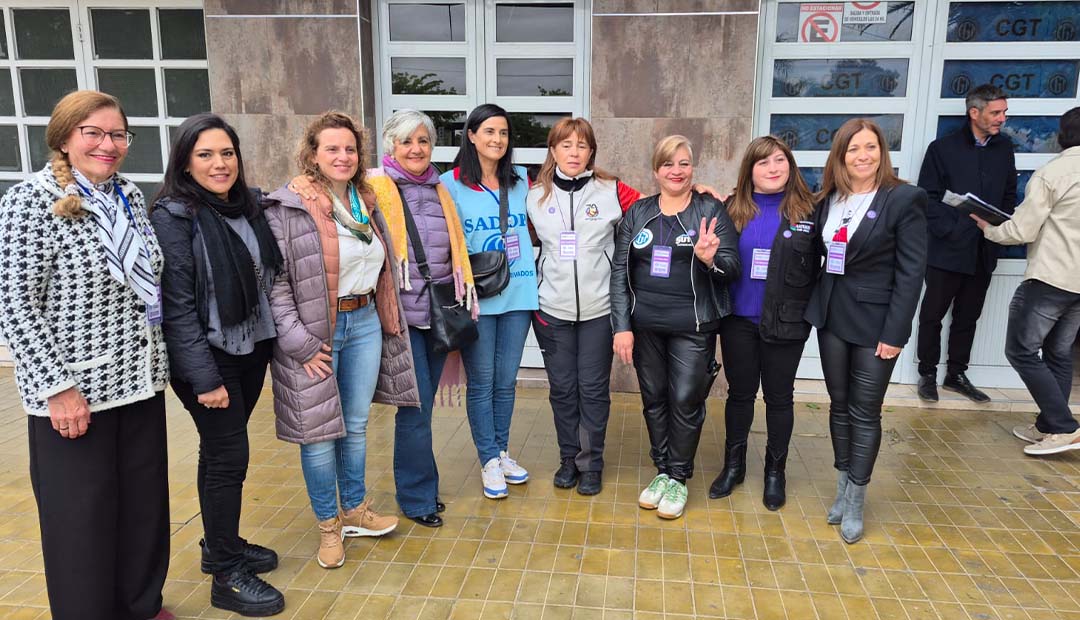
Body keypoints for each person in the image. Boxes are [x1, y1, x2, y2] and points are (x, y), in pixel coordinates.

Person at [0, 90, 173, 620]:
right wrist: (58, 388)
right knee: (81, 521)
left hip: (139, 381)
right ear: (64, 138)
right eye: (93, 133)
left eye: (118, 134)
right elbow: (15, 305)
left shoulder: (128, 194)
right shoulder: (30, 202)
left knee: (142, 509)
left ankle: (140, 606)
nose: (108, 144)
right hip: (75, 395)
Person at [266, 111, 418, 569]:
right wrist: (300, 344)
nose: (343, 156)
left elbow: (381, 267)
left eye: (350, 148)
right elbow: (275, 284)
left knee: (355, 424)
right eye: (331, 148)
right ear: (312, 154)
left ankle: (353, 510)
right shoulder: (289, 206)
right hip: (315, 333)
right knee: (317, 435)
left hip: (364, 321)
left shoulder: (365, 199)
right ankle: (328, 526)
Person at [152, 114, 285, 616]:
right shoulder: (174, 215)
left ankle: (219, 544)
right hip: (207, 358)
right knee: (230, 458)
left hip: (251, 348)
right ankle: (226, 575)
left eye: (227, 153)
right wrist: (204, 378)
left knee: (218, 454)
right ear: (185, 162)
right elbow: (177, 305)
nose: (219, 163)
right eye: (205, 154)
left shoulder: (247, 206)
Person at [805, 118, 927, 544]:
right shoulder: (828, 199)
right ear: (840, 156)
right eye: (853, 148)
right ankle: (842, 487)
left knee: (865, 410)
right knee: (839, 406)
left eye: (870, 147)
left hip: (876, 324)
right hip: (832, 318)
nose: (862, 156)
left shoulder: (903, 198)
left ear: (882, 152)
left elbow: (911, 274)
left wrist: (896, 333)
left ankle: (857, 498)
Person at [610, 135, 740, 520]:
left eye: (684, 163)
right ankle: (663, 470)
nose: (676, 171)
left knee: (685, 399)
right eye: (668, 164)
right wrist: (621, 326)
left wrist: (710, 260)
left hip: (693, 326)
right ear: (656, 170)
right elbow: (619, 273)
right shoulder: (639, 212)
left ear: (693, 168)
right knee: (654, 398)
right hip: (645, 326)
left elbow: (732, 268)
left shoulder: (709, 209)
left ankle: (679, 477)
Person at [367, 109, 476, 525]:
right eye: (406, 141)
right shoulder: (374, 187)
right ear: (391, 146)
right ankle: (416, 499)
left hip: (437, 311)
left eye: (423, 141)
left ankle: (422, 489)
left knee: (423, 407)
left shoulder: (440, 189)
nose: (416, 149)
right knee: (414, 410)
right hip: (401, 318)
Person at [527, 118, 642, 496]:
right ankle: (568, 459)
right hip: (551, 309)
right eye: (566, 145)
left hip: (599, 311)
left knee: (592, 390)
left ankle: (590, 463)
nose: (574, 152)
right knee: (562, 389)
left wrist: (701, 193)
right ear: (553, 150)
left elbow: (658, 208)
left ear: (591, 151)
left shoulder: (612, 190)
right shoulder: (534, 195)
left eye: (581, 145)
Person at [708, 135, 819, 511]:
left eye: (779, 160)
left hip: (786, 322)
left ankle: (775, 473)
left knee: (779, 397)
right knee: (739, 395)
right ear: (750, 170)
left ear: (790, 165)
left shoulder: (809, 211)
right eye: (763, 162)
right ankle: (734, 467)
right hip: (738, 320)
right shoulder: (732, 209)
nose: (773, 168)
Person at [440, 104, 538, 499]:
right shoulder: (449, 183)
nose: (497, 139)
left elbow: (578, 179)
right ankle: (488, 460)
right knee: (482, 381)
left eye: (504, 133)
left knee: (506, 380)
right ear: (471, 135)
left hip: (519, 292)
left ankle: (502, 451)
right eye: (489, 131)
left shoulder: (522, 180)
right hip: (477, 297)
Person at [973, 106, 1080, 456]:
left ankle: (1064, 427)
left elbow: (1022, 230)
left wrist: (989, 229)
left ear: (1063, 136)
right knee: (1059, 353)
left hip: (1051, 277)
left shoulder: (1054, 173)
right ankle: (1050, 426)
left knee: (1020, 350)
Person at [916, 84, 1017, 403]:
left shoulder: (1005, 148)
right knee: (932, 315)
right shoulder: (942, 149)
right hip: (946, 249)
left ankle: (956, 375)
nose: (1002, 118)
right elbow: (927, 197)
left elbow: (1009, 194)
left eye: (1004, 112)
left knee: (968, 317)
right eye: (996, 112)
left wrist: (998, 226)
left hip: (984, 249)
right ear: (974, 112)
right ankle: (927, 374)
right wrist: (952, 229)